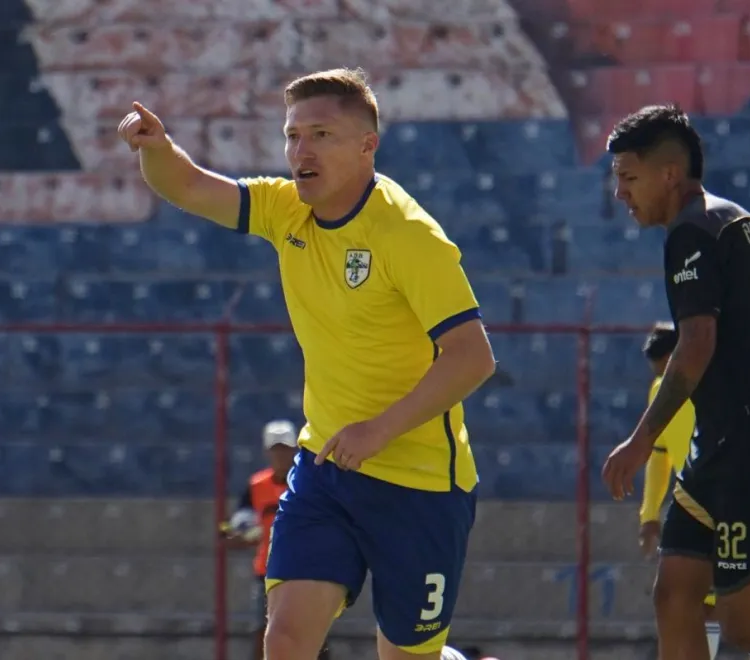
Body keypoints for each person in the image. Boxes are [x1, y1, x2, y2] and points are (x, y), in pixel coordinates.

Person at [119, 67, 495, 660]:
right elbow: (190, 188)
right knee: (287, 639)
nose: (300, 151)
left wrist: (379, 430)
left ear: (367, 145)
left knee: (404, 657)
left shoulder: (410, 235)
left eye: (320, 134)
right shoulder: (284, 208)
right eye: (292, 135)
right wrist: (157, 149)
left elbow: (473, 358)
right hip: (325, 469)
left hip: (422, 486)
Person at [600, 104, 750, 660]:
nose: (620, 195)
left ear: (668, 174)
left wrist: (640, 441)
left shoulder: (691, 232)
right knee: (675, 594)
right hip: (724, 446)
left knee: (745, 625)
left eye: (628, 178)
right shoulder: (730, 217)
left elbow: (696, 344)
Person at [639, 321, 750, 660]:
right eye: (658, 375)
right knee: (694, 602)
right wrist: (649, 515)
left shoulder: (715, 389)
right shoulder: (660, 392)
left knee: (739, 608)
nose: (662, 381)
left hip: (730, 501)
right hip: (691, 504)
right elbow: (659, 457)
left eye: (666, 371)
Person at [220, 420, 331, 660]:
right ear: (267, 452)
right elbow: (241, 523)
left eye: (285, 449)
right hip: (267, 571)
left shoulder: (308, 483)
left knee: (314, 633)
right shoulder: (256, 485)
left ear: (295, 449)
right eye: (276, 449)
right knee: (263, 632)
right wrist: (236, 535)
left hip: (306, 570)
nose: (281, 455)